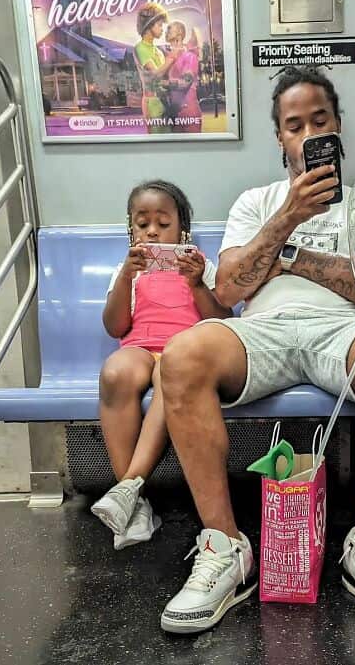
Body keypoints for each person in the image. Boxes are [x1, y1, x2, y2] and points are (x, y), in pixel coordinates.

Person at [158, 67, 355, 633]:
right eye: (294, 125)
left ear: (338, 127)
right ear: (279, 136)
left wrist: (287, 259)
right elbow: (228, 291)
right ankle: (223, 548)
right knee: (181, 355)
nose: (308, 135)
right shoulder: (255, 203)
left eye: (319, 121)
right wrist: (288, 217)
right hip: (263, 331)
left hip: (340, 330)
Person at [91, 180, 232, 550]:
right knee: (115, 373)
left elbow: (223, 322)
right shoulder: (128, 272)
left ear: (182, 229)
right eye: (142, 224)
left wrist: (197, 284)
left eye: (163, 223)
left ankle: (128, 488)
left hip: (184, 353)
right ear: (131, 229)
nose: (152, 231)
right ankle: (134, 504)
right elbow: (115, 327)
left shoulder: (201, 267)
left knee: (171, 369)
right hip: (139, 347)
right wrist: (126, 276)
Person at [133, 3, 179, 134]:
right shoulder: (140, 48)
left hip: (165, 101)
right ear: (148, 26)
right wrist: (172, 57)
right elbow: (155, 74)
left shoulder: (158, 51)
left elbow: (163, 79)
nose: (162, 29)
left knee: (169, 137)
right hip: (152, 102)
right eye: (159, 25)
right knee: (157, 138)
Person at [164, 21, 202, 133]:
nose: (166, 31)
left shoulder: (190, 56)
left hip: (189, 112)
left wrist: (164, 83)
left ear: (180, 33)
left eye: (169, 28)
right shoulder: (168, 58)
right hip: (173, 114)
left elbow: (186, 82)